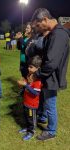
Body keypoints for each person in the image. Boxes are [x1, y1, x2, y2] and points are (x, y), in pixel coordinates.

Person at [31, 8, 70, 141]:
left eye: (38, 25)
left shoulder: (59, 34)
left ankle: (51, 131)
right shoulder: (53, 33)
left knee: (50, 103)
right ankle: (44, 118)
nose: (38, 29)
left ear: (45, 20)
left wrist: (37, 74)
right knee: (47, 102)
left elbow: (52, 62)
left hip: (52, 76)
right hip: (49, 75)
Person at [17, 55, 42, 140]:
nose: (28, 68)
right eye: (28, 66)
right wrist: (23, 83)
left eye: (31, 67)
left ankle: (32, 132)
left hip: (32, 105)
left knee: (31, 119)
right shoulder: (30, 75)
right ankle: (28, 128)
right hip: (26, 102)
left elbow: (35, 93)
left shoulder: (38, 80)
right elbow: (27, 86)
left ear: (37, 68)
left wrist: (26, 85)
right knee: (27, 117)